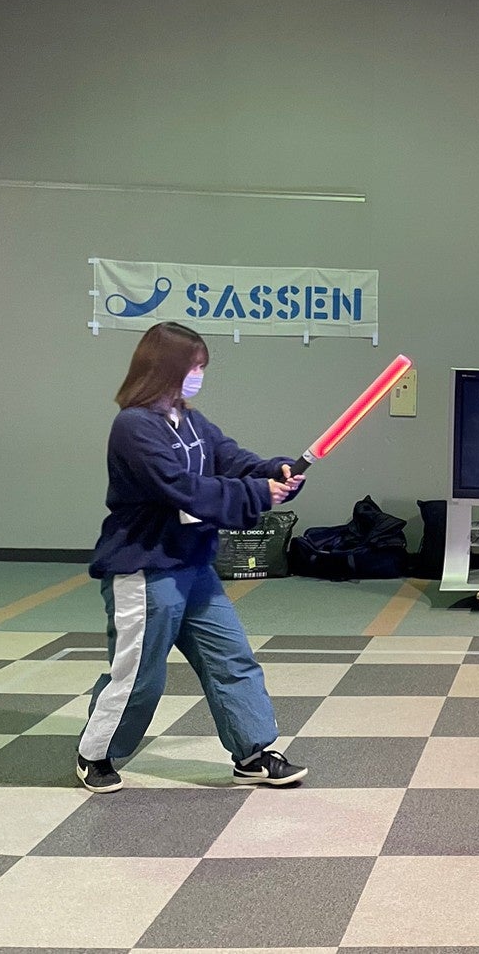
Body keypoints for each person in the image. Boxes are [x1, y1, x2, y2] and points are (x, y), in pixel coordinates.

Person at [77, 321, 308, 794]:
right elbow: (182, 488)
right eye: (193, 367)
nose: (199, 375)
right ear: (165, 369)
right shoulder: (133, 426)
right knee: (140, 673)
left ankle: (252, 752)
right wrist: (258, 493)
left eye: (202, 367)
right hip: (144, 566)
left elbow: (231, 459)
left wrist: (275, 470)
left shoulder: (191, 421)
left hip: (194, 565)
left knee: (231, 658)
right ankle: (95, 754)